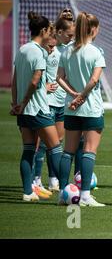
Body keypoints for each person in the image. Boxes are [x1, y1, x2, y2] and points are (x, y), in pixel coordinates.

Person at [10, 11, 63, 202]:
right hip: (38, 109)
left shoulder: (22, 49)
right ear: (43, 30)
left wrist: (16, 104)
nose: (51, 34)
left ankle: (27, 192)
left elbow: (15, 80)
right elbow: (34, 82)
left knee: (28, 149)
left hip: (23, 111)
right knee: (56, 148)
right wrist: (24, 102)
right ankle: (66, 190)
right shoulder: (39, 52)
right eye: (49, 30)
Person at [57, 11, 106, 207]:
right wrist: (82, 96)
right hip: (91, 108)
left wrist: (73, 95)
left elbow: (59, 77)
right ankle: (85, 195)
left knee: (68, 151)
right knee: (89, 151)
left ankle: (63, 193)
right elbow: (94, 80)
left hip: (71, 109)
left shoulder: (67, 50)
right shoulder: (95, 52)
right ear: (93, 29)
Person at [32, 9, 75, 193]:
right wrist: (45, 87)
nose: (70, 37)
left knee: (57, 141)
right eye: (68, 34)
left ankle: (53, 179)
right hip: (46, 101)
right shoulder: (49, 47)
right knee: (44, 143)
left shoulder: (67, 48)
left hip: (61, 102)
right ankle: (35, 180)